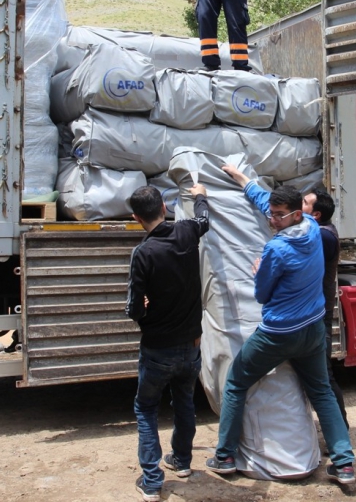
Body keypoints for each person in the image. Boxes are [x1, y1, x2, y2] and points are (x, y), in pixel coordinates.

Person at [205, 167, 356, 487]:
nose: (272, 220)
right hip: (314, 330)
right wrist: (245, 181)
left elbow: (261, 294)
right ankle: (343, 463)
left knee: (235, 382)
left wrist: (259, 269)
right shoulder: (314, 226)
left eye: (277, 215)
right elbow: (267, 204)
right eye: (271, 214)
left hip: (278, 334)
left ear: (293, 214)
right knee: (321, 392)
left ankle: (225, 455)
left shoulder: (276, 249)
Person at [125, 184, 210, 502]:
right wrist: (200, 194)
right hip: (191, 344)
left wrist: (143, 310)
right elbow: (204, 218)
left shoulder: (143, 253)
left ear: (136, 218)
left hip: (158, 348)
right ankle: (182, 462)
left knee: (146, 408)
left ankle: (151, 481)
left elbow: (133, 308)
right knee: (185, 403)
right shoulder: (187, 231)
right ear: (164, 206)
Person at [303, 188, 347, 428]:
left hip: (319, 314)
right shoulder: (319, 230)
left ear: (316, 214)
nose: (299, 205)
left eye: (304, 203)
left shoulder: (324, 236)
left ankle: (340, 430)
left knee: (323, 377)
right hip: (312, 312)